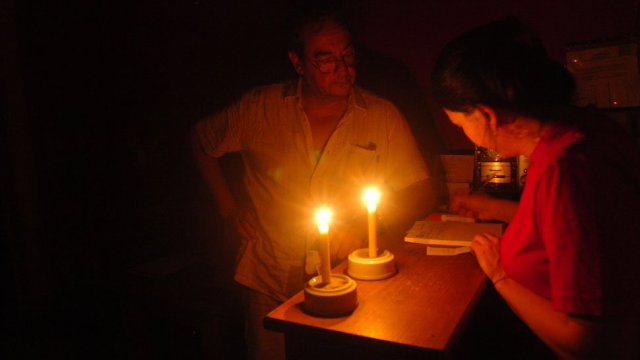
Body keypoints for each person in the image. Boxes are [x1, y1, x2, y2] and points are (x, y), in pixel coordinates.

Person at [190, 2, 436, 359]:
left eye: (348, 55)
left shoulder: (381, 116)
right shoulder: (259, 108)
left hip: (349, 281)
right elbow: (200, 141)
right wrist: (230, 210)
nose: (343, 69)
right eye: (326, 59)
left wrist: (368, 226)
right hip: (269, 276)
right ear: (298, 63)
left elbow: (420, 190)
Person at [431, 17, 640, 359]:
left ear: (487, 115)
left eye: (459, 123)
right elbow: (567, 229)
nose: (461, 133)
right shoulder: (579, 130)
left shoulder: (570, 169)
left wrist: (501, 277)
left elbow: (596, 345)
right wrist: (496, 209)